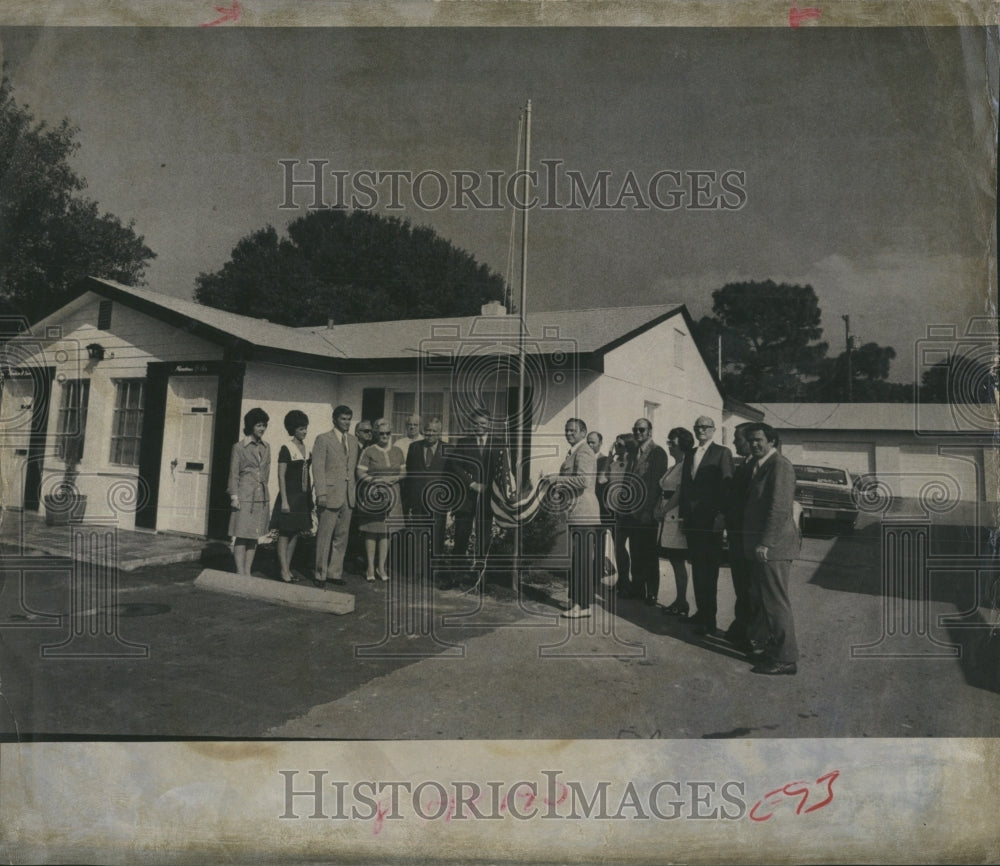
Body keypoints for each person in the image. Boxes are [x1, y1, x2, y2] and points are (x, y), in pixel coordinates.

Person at [741, 423, 801, 675]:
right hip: (762, 545)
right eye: (751, 440)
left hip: (773, 546)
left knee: (776, 602)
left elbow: (779, 508)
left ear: (772, 441)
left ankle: (786, 659)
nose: (754, 444)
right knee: (766, 601)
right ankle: (773, 648)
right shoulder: (760, 464)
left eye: (758, 440)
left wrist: (766, 542)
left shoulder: (780, 466)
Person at [679, 415, 733, 635]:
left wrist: (722, 515)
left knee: (709, 570)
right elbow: (686, 487)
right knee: (697, 567)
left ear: (713, 430)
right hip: (693, 520)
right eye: (697, 427)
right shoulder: (690, 453)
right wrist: (683, 516)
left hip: (711, 520)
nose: (701, 430)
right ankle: (701, 612)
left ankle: (709, 620)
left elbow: (727, 485)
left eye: (705, 427)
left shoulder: (722, 453)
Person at [544, 418, 601, 619]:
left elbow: (583, 480)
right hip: (576, 513)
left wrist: (556, 479)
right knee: (578, 559)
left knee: (582, 560)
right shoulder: (575, 451)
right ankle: (578, 601)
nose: (569, 434)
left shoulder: (583, 450)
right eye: (566, 430)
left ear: (583, 432)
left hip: (584, 513)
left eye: (573, 431)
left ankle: (583, 605)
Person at [618, 418, 668, 605]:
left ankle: (652, 592)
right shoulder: (632, 454)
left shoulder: (658, 453)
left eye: (642, 430)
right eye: (636, 429)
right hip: (631, 511)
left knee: (649, 553)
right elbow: (627, 481)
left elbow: (655, 485)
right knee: (635, 551)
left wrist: (648, 510)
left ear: (650, 431)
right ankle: (638, 589)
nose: (638, 433)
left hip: (646, 511)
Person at [722, 422, 761, 648]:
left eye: (738, 438)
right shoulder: (745, 464)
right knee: (741, 585)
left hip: (747, 537)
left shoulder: (757, 466)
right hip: (737, 535)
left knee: (750, 587)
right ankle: (741, 626)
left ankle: (752, 635)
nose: (735, 442)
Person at [311, 404, 359, 587]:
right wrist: (321, 493)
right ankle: (320, 574)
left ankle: (334, 572)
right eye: (343, 419)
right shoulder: (323, 439)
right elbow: (317, 468)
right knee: (325, 536)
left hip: (348, 496)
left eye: (349, 419)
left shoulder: (353, 441)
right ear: (334, 419)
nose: (346, 422)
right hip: (329, 495)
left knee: (342, 536)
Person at [445, 407, 501, 565]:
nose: (479, 427)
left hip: (488, 498)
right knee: (461, 537)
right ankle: (456, 576)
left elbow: (503, 469)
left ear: (489, 424)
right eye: (476, 424)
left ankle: (480, 578)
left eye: (483, 423)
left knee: (484, 538)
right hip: (466, 498)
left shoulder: (498, 443)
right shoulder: (464, 442)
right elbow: (455, 466)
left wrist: (494, 489)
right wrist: (472, 484)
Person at [356, 418, 406, 581]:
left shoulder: (398, 451)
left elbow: (404, 472)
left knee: (386, 532)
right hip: (374, 495)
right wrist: (375, 481)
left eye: (388, 433)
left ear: (391, 434)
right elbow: (360, 473)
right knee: (371, 531)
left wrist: (395, 479)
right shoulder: (369, 451)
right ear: (376, 434)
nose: (384, 436)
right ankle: (370, 568)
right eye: (381, 433)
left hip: (393, 494)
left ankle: (381, 567)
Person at [227, 407, 271, 576]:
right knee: (241, 534)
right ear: (251, 426)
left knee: (254, 536)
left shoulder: (267, 447)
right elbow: (233, 473)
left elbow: (265, 473)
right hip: (244, 496)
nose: (262, 429)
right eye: (259, 425)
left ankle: (247, 571)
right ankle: (239, 572)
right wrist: (234, 496)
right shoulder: (239, 447)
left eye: (264, 425)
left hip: (261, 497)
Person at [270, 409, 312, 583]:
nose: (305, 432)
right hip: (290, 496)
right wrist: (285, 502)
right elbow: (281, 475)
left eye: (305, 428)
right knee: (285, 533)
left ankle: (287, 568)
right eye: (301, 428)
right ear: (293, 429)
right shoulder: (286, 448)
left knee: (296, 532)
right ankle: (283, 570)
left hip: (303, 497)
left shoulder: (307, 449)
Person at [657, 426, 694, 616]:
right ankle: (680, 600)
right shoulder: (674, 466)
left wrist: (664, 509)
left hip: (674, 514)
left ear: (682, 444)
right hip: (667, 515)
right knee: (674, 560)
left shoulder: (685, 465)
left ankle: (682, 601)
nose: (669, 446)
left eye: (672, 442)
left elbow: (679, 492)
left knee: (678, 560)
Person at [404, 416, 450, 555]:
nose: (430, 434)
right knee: (419, 536)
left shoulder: (448, 449)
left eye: (434, 431)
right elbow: (410, 474)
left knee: (437, 537)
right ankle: (419, 571)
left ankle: (435, 572)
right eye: (428, 430)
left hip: (438, 501)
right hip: (418, 501)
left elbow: (451, 477)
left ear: (439, 432)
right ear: (423, 431)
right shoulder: (414, 447)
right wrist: (409, 500)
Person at [605, 433, 637, 593]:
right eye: (615, 444)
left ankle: (627, 582)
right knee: (618, 546)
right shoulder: (614, 464)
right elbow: (602, 480)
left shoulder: (633, 463)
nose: (616, 447)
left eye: (619, 445)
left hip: (626, 511)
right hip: (613, 509)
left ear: (628, 447)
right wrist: (609, 458)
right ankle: (623, 579)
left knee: (625, 546)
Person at [395, 414, 423, 517]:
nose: (412, 427)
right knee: (403, 511)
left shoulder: (424, 442)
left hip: (419, 483)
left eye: (415, 424)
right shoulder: (399, 443)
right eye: (410, 424)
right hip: (404, 483)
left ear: (420, 426)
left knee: (418, 514)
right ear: (406, 426)